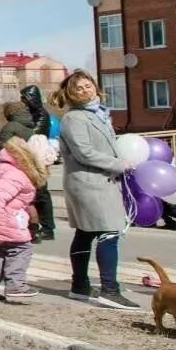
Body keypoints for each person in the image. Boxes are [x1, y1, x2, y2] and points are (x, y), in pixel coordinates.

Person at [54, 71, 135, 310]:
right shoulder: (74, 118)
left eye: (88, 85)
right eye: (79, 88)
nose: (85, 90)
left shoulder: (98, 114)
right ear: (70, 93)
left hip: (100, 181)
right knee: (109, 231)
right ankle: (110, 289)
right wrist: (119, 164)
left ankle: (79, 286)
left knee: (86, 232)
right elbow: (84, 152)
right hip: (89, 183)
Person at [0, 136, 47, 304]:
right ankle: (16, 286)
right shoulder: (15, 175)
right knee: (21, 250)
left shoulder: (1, 169)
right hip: (4, 221)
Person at [19, 86, 57, 239]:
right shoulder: (29, 114)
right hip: (29, 157)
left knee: (41, 194)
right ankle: (34, 225)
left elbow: (33, 133)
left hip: (38, 158)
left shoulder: (41, 114)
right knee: (33, 194)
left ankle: (48, 228)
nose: (22, 102)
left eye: (25, 99)